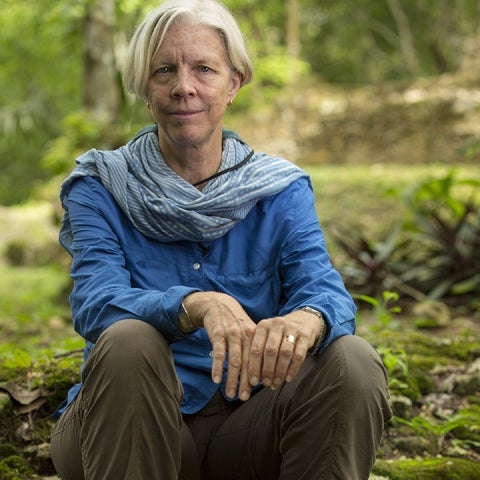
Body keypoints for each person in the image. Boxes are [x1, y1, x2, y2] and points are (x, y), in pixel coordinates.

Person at [50, 0, 392, 478]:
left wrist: (305, 320)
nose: (183, 87)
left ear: (233, 84)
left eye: (204, 69)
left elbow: (326, 292)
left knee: (352, 360)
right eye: (164, 70)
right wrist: (193, 304)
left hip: (247, 430)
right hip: (124, 428)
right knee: (128, 340)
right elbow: (95, 302)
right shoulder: (101, 185)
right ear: (145, 88)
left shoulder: (280, 188)